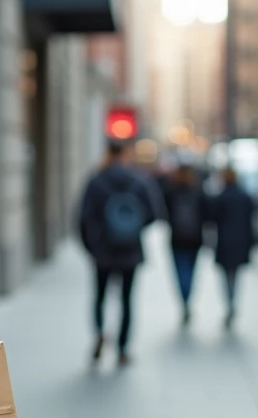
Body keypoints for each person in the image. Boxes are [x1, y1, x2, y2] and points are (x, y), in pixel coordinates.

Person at [78, 137, 164, 365]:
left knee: (100, 297)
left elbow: (83, 218)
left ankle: (99, 332)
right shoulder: (138, 180)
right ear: (125, 154)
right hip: (130, 250)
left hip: (102, 250)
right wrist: (131, 227)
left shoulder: (97, 181)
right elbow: (154, 214)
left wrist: (90, 247)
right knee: (126, 300)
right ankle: (123, 349)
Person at [163, 163, 210, 325]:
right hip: (195, 237)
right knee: (191, 269)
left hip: (177, 237)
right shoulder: (198, 190)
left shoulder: (172, 190)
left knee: (180, 270)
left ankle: (184, 300)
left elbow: (165, 212)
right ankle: (188, 297)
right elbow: (207, 213)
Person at [209, 167, 256, 329]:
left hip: (224, 242)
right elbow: (251, 221)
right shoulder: (245, 197)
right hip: (241, 241)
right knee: (235, 275)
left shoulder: (221, 197)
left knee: (226, 276)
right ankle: (232, 302)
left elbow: (212, 220)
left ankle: (229, 303)